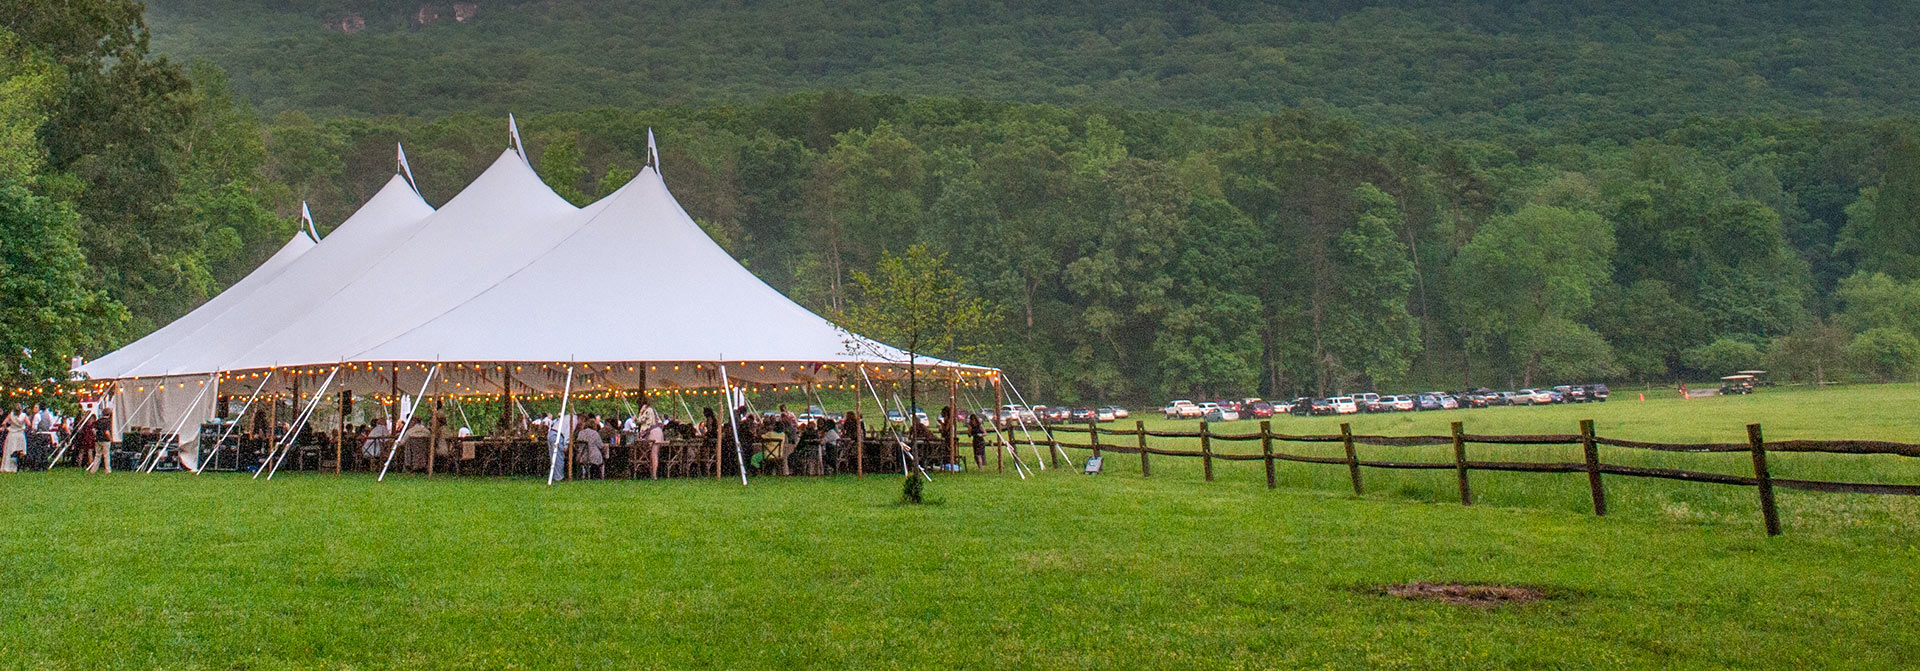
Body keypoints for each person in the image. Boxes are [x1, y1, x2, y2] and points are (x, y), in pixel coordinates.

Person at [577, 415, 605, 479]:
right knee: (603, 456)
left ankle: (584, 474)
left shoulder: (581, 433)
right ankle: (601, 476)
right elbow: (601, 446)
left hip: (582, 456)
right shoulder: (595, 433)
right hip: (593, 456)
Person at [2, 405, 27, 472]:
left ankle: (7, 466)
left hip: (12, 434)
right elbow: (29, 424)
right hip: (20, 434)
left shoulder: (11, 415)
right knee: (20, 450)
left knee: (10, 450)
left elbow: (4, 422)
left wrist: (7, 427)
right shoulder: (24, 415)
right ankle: (19, 466)